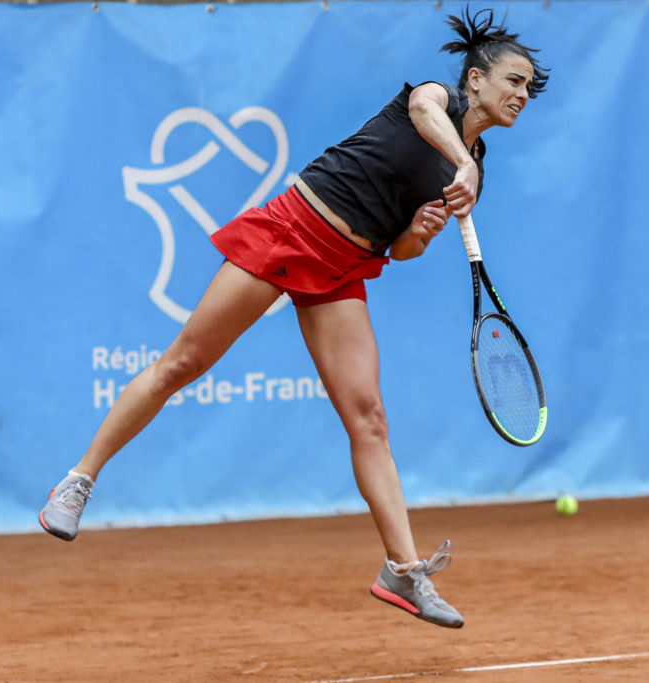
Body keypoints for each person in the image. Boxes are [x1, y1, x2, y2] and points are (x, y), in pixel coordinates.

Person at [40, 7, 548, 629]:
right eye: (514, 81)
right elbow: (423, 116)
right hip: (291, 231)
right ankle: (78, 481)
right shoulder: (431, 98)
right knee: (183, 363)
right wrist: (462, 163)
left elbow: (404, 249)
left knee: (369, 418)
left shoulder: (475, 170)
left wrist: (420, 229)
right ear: (474, 79)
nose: (523, 95)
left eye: (528, 87)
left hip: (345, 267)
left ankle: (402, 570)